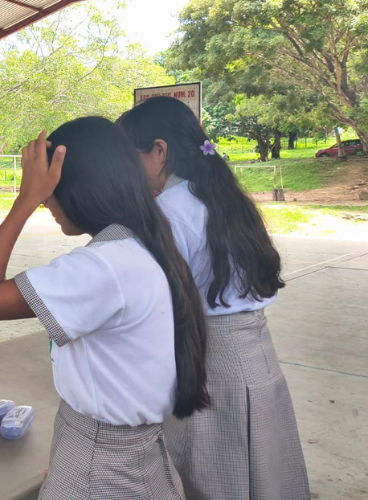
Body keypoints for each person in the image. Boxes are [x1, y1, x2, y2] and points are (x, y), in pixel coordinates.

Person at [0, 117, 209, 500]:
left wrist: (23, 201)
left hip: (101, 466)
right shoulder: (141, 243)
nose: (44, 201)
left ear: (79, 187)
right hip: (130, 453)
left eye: (49, 190)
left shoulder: (102, 267)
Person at [118, 96, 310, 500]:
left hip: (210, 360)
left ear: (159, 150)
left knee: (215, 475)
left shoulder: (168, 211)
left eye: (129, 155)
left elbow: (153, 299)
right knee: (263, 469)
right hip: (258, 354)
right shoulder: (223, 197)